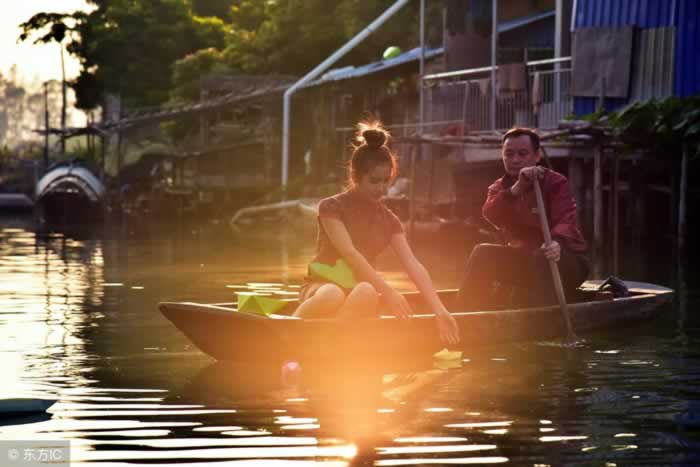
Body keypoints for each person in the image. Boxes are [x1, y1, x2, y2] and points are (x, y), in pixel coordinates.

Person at [294, 120, 460, 346]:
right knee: (333, 294)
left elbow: (413, 265)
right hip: (320, 288)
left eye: (385, 182)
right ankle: (287, 333)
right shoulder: (330, 207)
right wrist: (389, 291)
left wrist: (440, 311)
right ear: (355, 176)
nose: (381, 189)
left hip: (358, 295)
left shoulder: (389, 220)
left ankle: (330, 346)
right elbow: (350, 254)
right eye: (373, 181)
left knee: (367, 291)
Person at [457, 127, 589, 310]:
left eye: (522, 153)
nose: (515, 160)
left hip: (562, 261)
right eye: (509, 154)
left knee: (541, 257)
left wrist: (556, 242)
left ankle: (537, 320)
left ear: (536, 156)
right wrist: (517, 187)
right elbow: (490, 214)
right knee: (482, 253)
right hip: (524, 261)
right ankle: (466, 316)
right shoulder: (499, 188)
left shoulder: (556, 182)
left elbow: (565, 219)